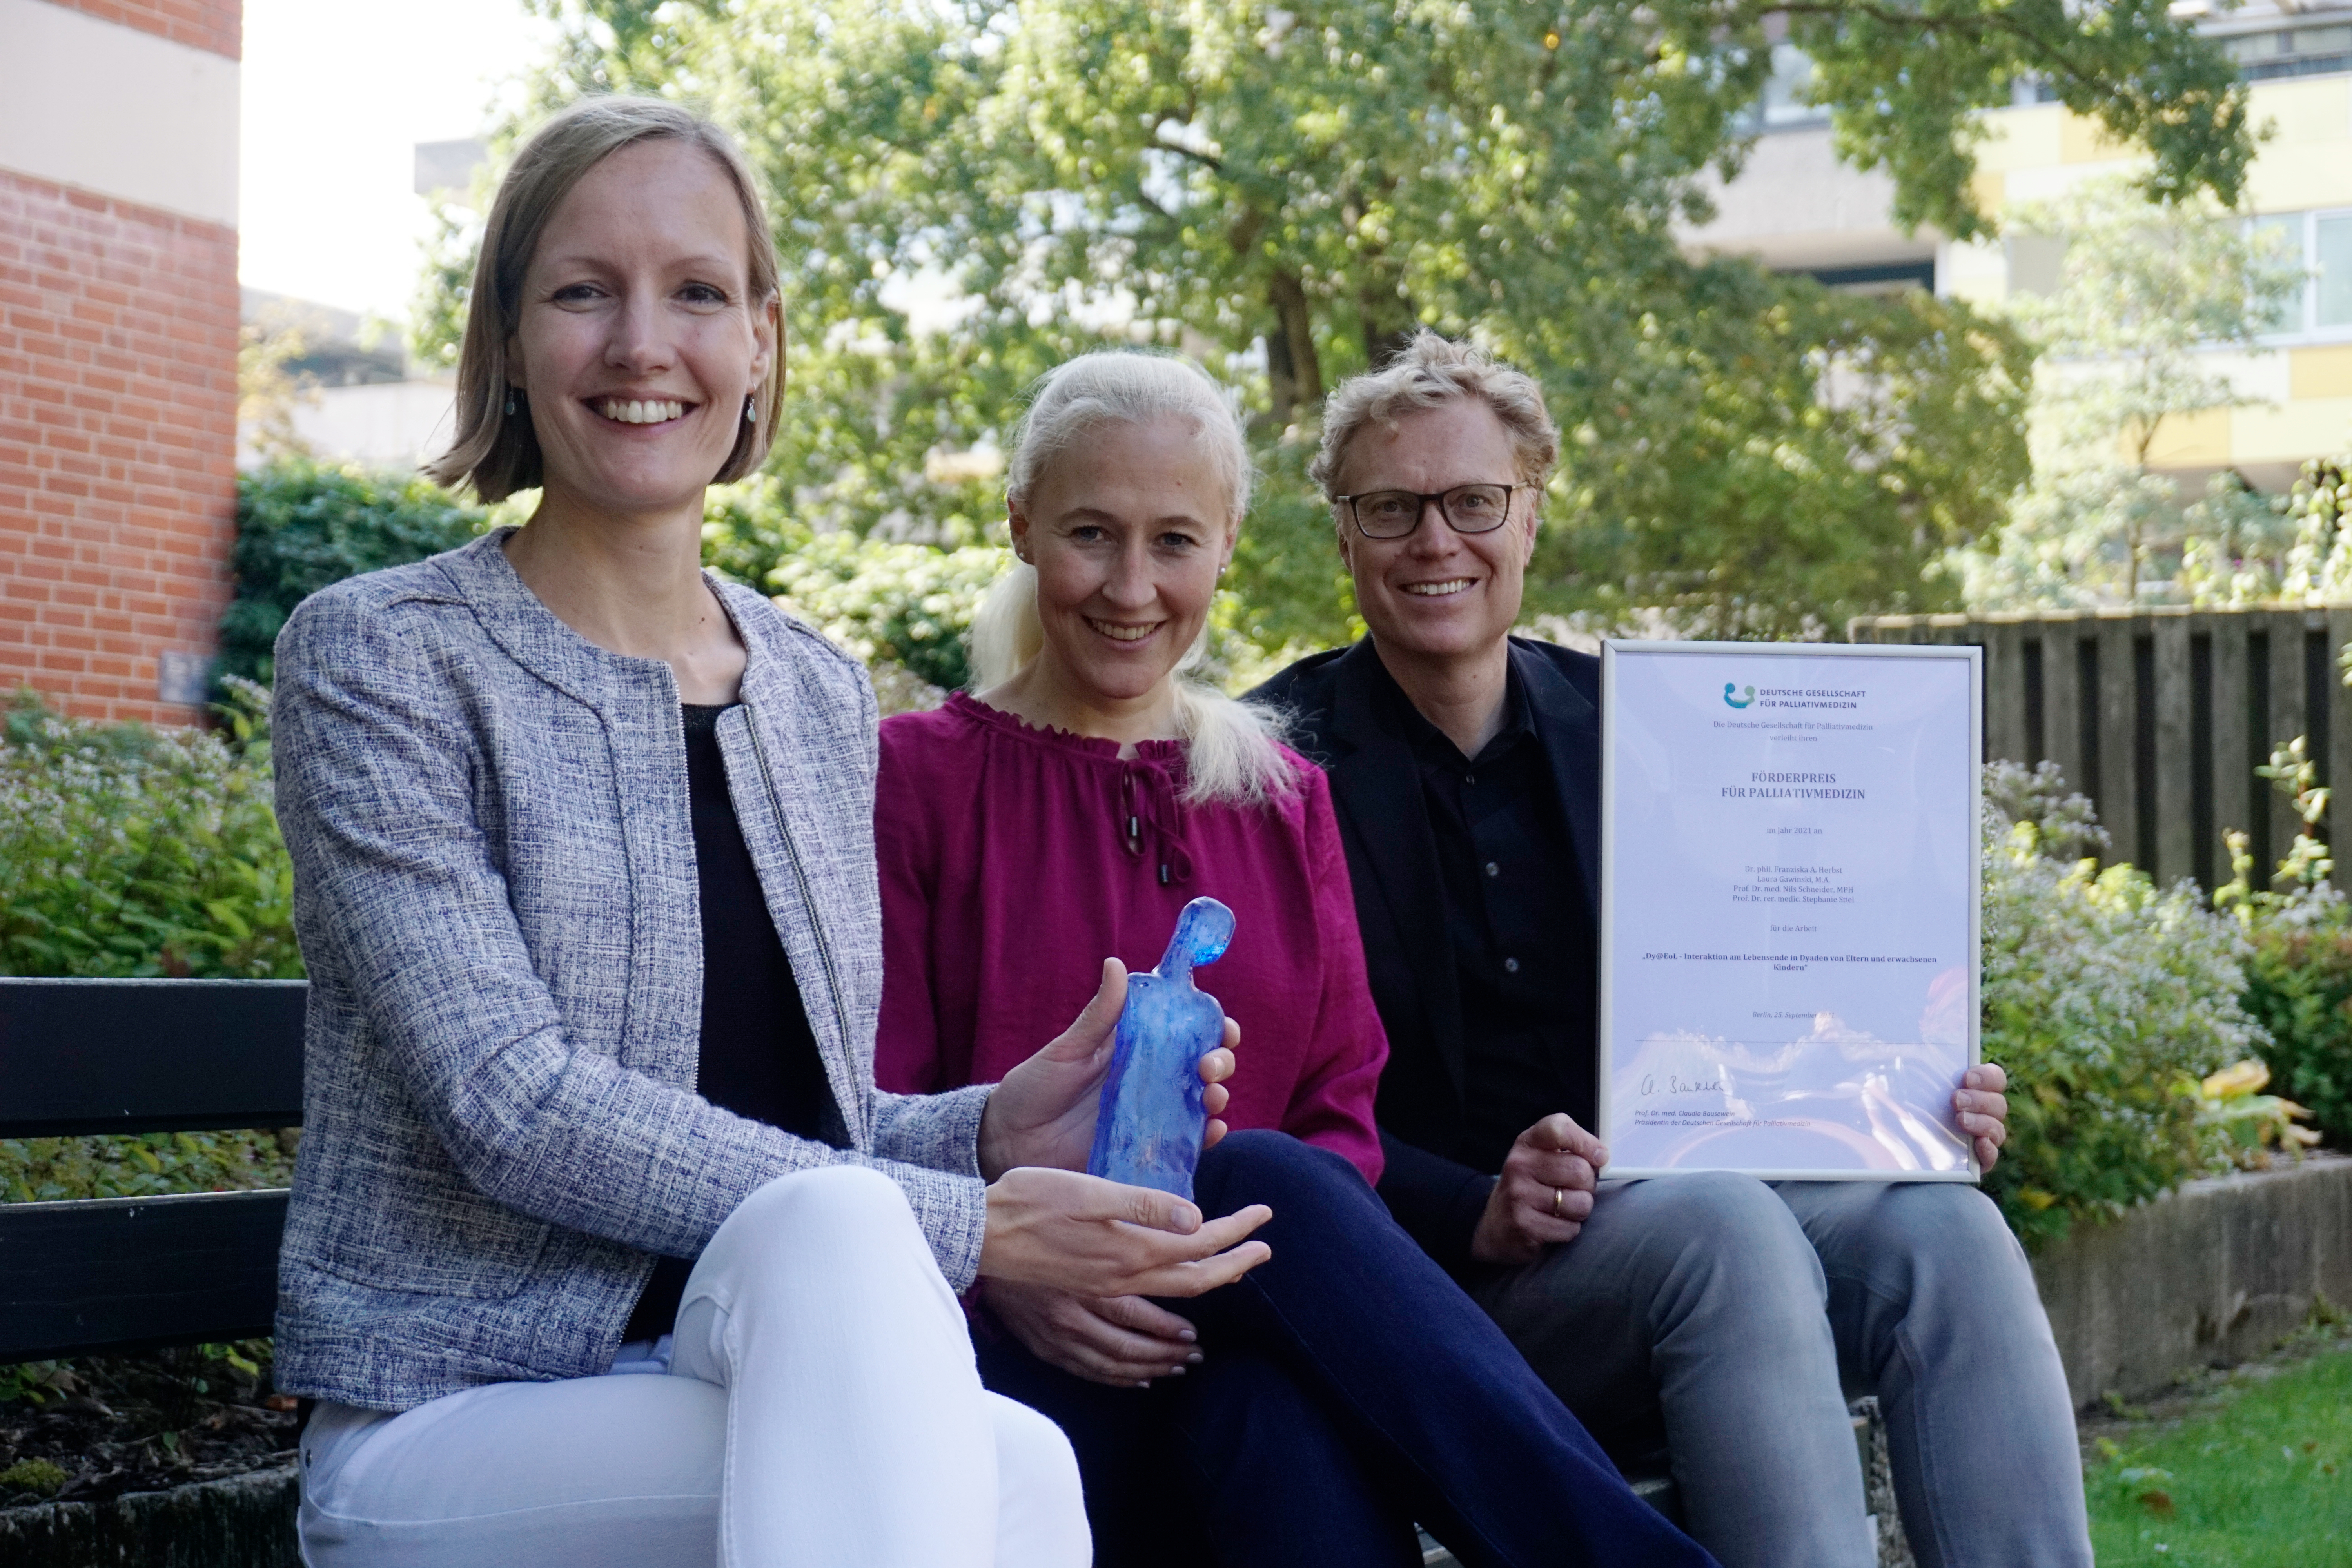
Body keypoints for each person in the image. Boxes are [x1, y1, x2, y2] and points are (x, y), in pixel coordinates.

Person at [268, 98, 1277, 1568]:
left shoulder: (807, 686)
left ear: (760, 341)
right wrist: (974, 1225)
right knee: (882, 1301)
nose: (640, 345)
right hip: (455, 1410)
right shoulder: (381, 659)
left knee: (1024, 1462)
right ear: (506, 335)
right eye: (580, 291)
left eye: (695, 292)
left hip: (741, 1362)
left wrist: (991, 1129)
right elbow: (512, 1101)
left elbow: (810, 1135)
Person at [1247, 331, 2094, 1568]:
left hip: (1683, 1221)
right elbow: (1268, 1101)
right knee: (1724, 1225)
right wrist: (1477, 1206)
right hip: (1441, 1285)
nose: (1436, 541)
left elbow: (1775, 1004)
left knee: (1947, 1233)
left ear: (1532, 512)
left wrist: (1905, 1091)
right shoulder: (1271, 764)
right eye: (1390, 508)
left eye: (1475, 500)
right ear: (1343, 533)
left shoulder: (1658, 729)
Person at [873, 350, 1719, 1568]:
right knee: (1258, 1188)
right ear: (1020, 529)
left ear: (1225, 547)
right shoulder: (917, 780)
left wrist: (1217, 1267)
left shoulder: (1279, 798)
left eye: (1174, 541)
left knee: (1276, 1363)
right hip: (1016, 1356)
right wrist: (1006, 1270)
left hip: (1252, 1334)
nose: (1130, 586)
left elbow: (1342, 1112)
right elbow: (873, 1105)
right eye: (1090, 535)